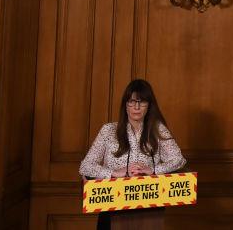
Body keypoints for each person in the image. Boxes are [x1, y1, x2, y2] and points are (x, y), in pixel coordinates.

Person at [79, 79, 187, 229]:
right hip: (112, 208)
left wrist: (154, 170)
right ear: (125, 105)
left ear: (149, 106)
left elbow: (179, 160)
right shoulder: (108, 130)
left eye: (142, 102)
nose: (136, 107)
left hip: (149, 210)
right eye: (132, 101)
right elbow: (85, 167)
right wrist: (114, 173)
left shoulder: (158, 130)